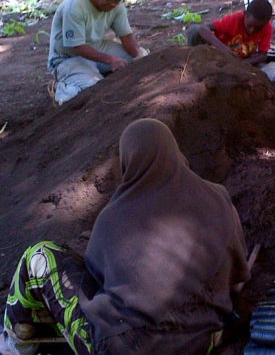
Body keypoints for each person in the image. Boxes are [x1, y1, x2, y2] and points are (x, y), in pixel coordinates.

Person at [2, 119, 250, 354]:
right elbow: (237, 272)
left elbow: (95, 279)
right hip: (199, 343)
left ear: (127, 162)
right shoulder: (219, 199)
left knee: (39, 255)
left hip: (121, 349)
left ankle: (14, 345)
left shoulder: (113, 218)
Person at [48, 0, 147, 105]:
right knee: (92, 90)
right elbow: (77, 47)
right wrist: (111, 60)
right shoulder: (75, 5)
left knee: (143, 55)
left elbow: (126, 36)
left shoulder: (116, 6)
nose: (113, 4)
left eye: (117, 0)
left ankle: (100, 75)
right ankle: (62, 88)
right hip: (68, 57)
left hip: (96, 48)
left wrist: (137, 56)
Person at [187, 0, 273, 66]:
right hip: (218, 54)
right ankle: (193, 63)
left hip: (242, 61)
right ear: (245, 14)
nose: (252, 30)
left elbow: (263, 55)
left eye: (258, 28)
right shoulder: (234, 20)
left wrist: (242, 64)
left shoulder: (267, 28)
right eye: (249, 25)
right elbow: (202, 28)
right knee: (194, 30)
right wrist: (223, 48)